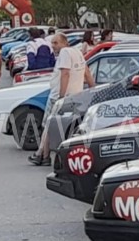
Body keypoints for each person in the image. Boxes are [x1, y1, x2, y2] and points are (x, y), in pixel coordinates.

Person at [29, 32, 93, 166]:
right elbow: (87, 73)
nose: (53, 46)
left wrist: (61, 96)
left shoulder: (64, 53)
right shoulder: (77, 52)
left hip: (59, 97)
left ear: (65, 43)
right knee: (52, 125)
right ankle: (43, 155)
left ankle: (41, 155)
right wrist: (94, 90)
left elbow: (65, 74)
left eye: (56, 43)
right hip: (76, 96)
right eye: (52, 43)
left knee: (48, 124)